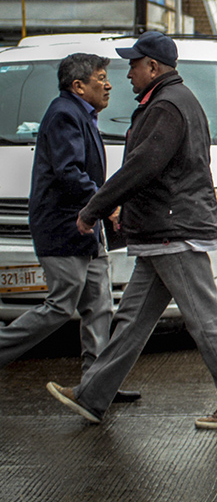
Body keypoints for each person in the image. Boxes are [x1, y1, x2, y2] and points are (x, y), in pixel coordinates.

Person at [46, 31, 217, 429]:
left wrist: (95, 208)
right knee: (131, 322)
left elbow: (142, 167)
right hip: (161, 230)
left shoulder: (166, 106)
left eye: (133, 64)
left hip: (172, 230)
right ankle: (93, 395)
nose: (126, 74)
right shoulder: (167, 101)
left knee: (206, 319)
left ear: (153, 67)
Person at [0, 54, 136, 402]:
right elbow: (69, 171)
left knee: (100, 306)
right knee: (61, 306)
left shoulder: (82, 114)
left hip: (87, 230)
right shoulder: (64, 114)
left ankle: (96, 385)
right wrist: (106, 202)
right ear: (79, 86)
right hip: (63, 228)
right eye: (101, 78)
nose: (108, 85)